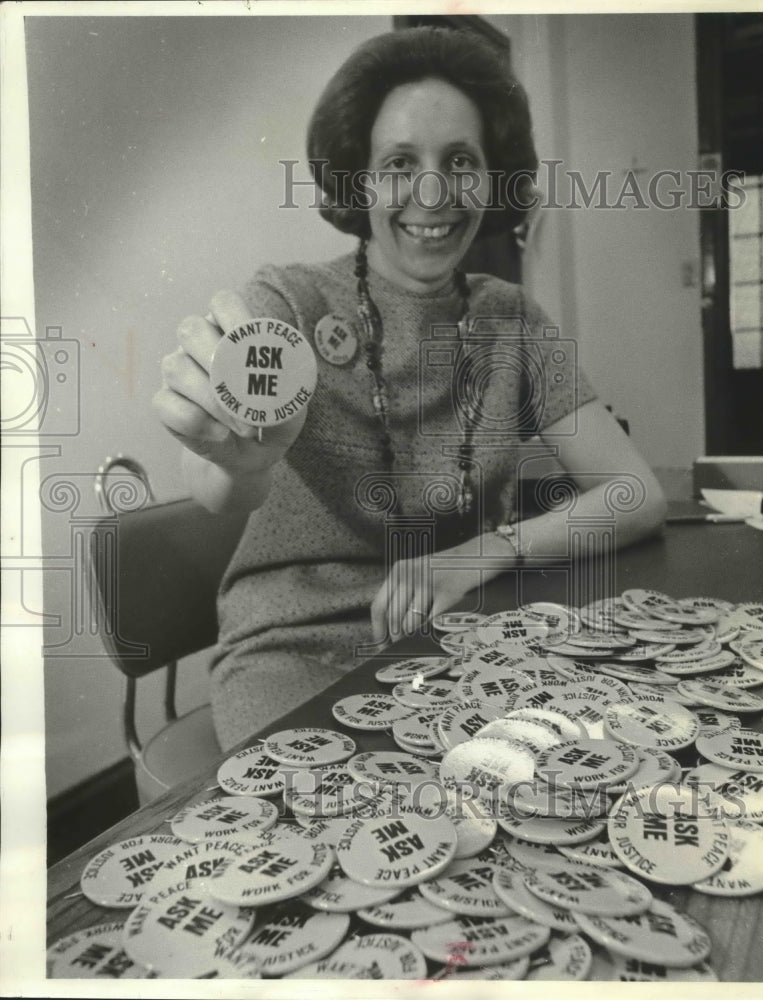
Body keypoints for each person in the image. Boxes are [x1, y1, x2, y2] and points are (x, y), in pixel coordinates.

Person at [153, 27, 667, 751]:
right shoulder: (289, 301)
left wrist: (484, 551)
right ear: (358, 180)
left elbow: (633, 494)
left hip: (459, 636)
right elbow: (218, 476)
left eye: (460, 160)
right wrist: (237, 461)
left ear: (493, 179)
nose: (433, 192)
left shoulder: (511, 319)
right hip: (295, 653)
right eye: (399, 162)